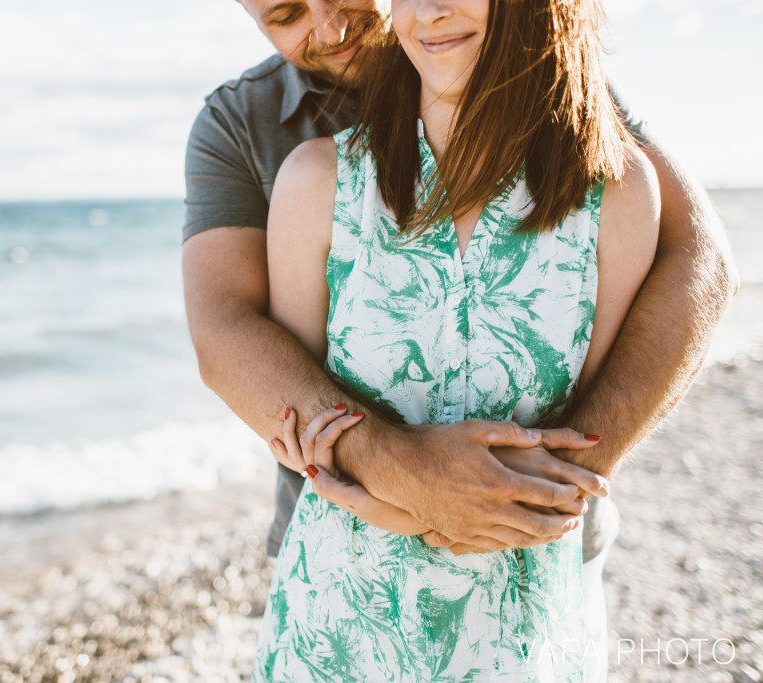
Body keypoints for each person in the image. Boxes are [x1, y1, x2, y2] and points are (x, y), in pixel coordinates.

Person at [182, 0, 737, 678]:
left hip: (533, 570)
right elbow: (228, 333)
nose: (330, 27)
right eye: (289, 13)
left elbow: (702, 263)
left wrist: (547, 485)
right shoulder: (259, 137)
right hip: (348, 573)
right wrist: (399, 479)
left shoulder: (550, 85)